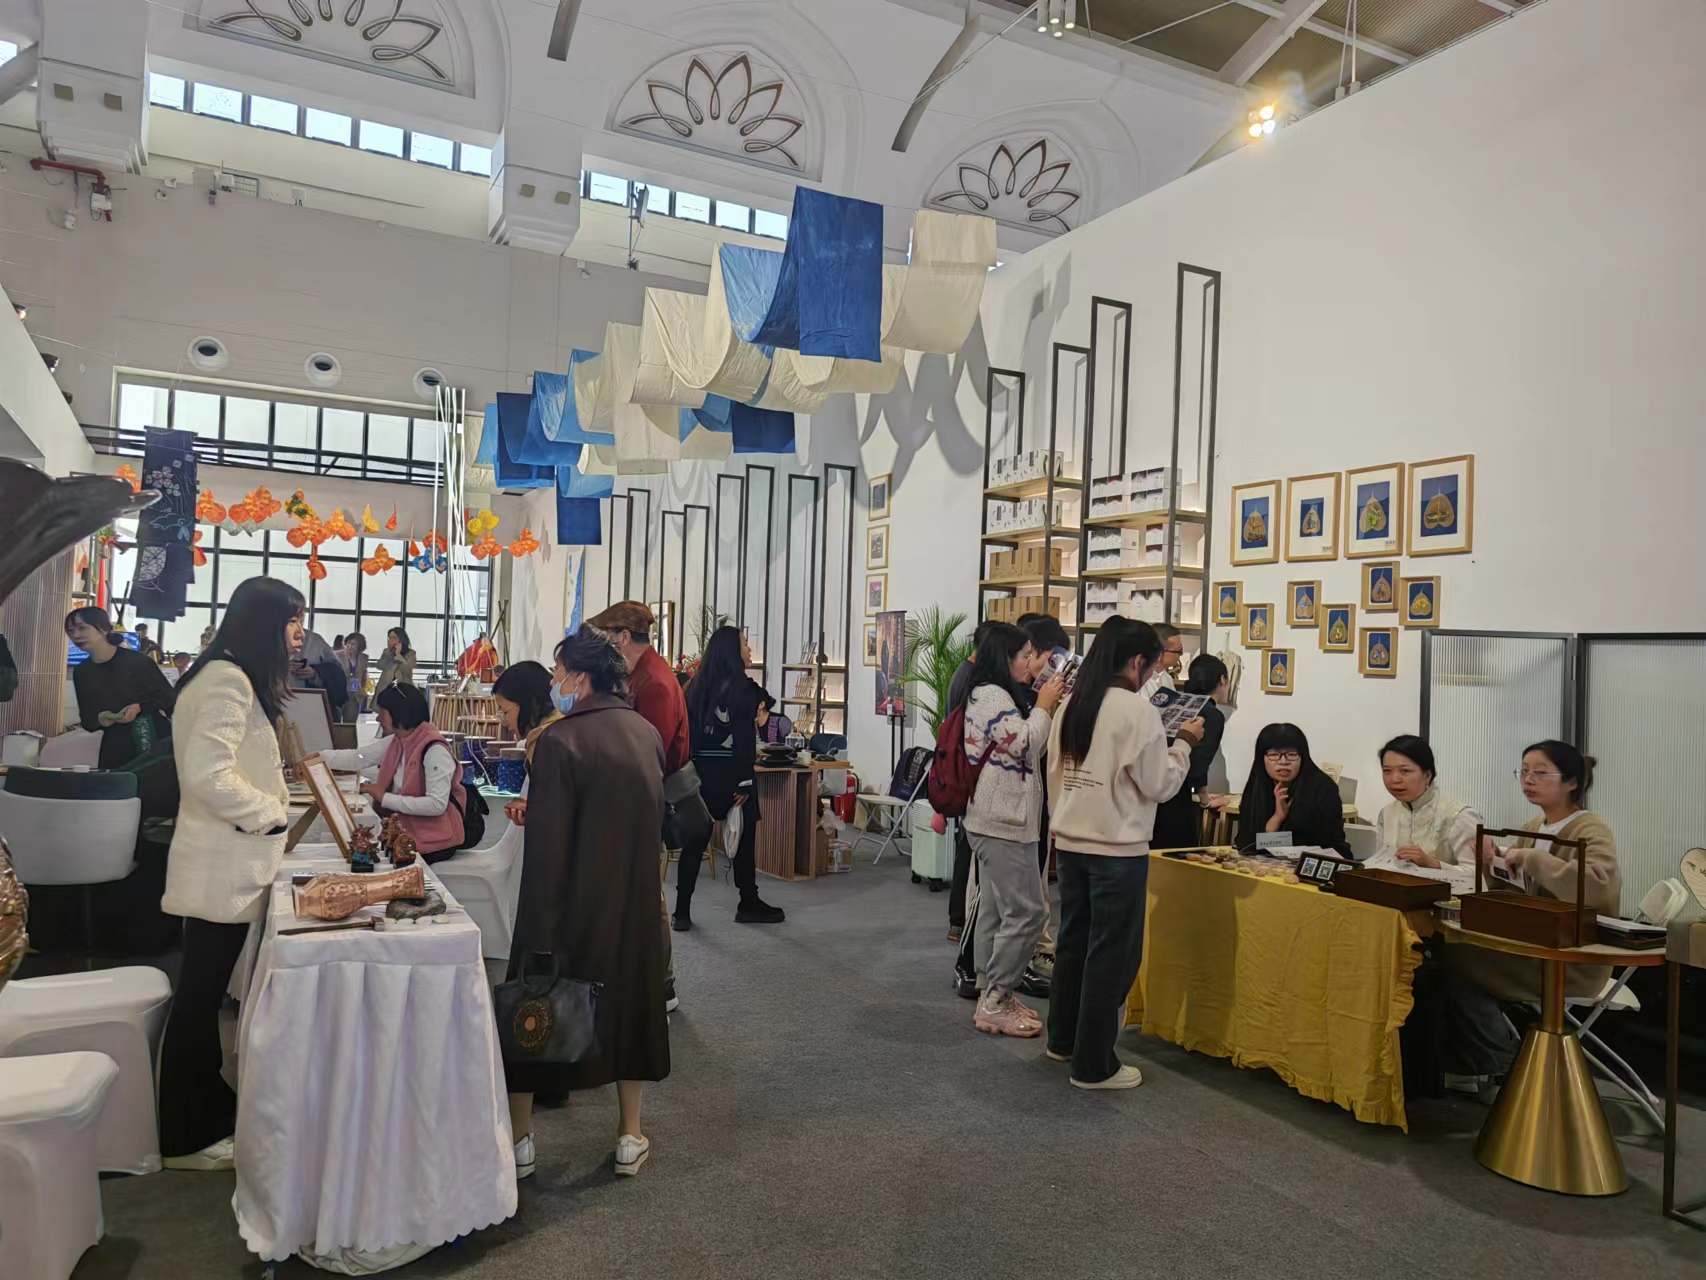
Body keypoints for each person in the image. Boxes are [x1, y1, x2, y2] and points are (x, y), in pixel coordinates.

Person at [505, 626, 670, 1180]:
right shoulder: (645, 733)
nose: (554, 682)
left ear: (579, 677)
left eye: (558, 672)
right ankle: (629, 1134)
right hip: (633, 901)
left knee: (531, 1004)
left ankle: (521, 1140)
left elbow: (549, 842)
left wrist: (537, 924)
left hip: (568, 901)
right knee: (631, 1009)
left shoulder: (559, 740)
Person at [156, 577, 302, 1170]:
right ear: (263, 623)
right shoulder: (226, 680)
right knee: (198, 1001)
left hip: (223, 863)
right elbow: (207, 774)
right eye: (291, 621)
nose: (299, 634)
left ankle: (206, 1111)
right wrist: (270, 814)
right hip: (221, 865)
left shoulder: (227, 675)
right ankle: (184, 1135)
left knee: (202, 996)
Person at [1047, 617, 1201, 1088]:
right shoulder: (1136, 711)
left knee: (1074, 943)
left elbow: (1054, 775)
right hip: (1117, 848)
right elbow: (1159, 785)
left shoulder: (1072, 702)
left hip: (1070, 841)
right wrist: (1183, 746)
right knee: (1111, 955)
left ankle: (1063, 1041)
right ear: (1137, 661)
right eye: (1154, 663)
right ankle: (1094, 1065)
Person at [1444, 742, 1621, 1080]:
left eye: (1540, 773)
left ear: (1571, 782)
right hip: (1536, 944)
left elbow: (1597, 886)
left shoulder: (1589, 829)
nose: (1528, 780)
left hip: (1574, 956)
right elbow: (1514, 889)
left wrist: (1533, 859)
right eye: (1524, 772)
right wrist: (1490, 862)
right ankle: (1491, 1062)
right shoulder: (1535, 825)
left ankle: (1505, 1064)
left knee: (1457, 962)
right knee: (1446, 955)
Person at [585, 602, 703, 1021]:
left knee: (647, 894)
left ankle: (660, 984)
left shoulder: (654, 681)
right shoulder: (640, 674)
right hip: (638, 796)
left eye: (604, 637)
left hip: (648, 799)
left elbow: (649, 753)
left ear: (621, 636)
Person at [961, 622, 1062, 1037]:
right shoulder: (991, 695)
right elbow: (1023, 743)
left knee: (997, 910)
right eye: (1024, 655)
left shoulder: (995, 693)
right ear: (1005, 658)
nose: (1030, 663)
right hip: (1000, 820)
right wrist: (1045, 707)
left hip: (1003, 818)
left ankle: (993, 992)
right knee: (1027, 912)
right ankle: (997, 998)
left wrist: (1044, 708)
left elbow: (1026, 747)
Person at [679, 626, 785, 925]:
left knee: (694, 841)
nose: (749, 650)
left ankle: (682, 910)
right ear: (732, 652)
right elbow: (743, 739)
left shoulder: (694, 688)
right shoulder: (744, 689)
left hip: (699, 776)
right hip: (732, 776)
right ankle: (748, 901)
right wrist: (745, 781)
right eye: (745, 644)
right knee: (745, 834)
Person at [319, 683, 468, 863]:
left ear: (398, 712)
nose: (378, 718)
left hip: (433, 841)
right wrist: (320, 757)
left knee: (364, 856)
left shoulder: (434, 750)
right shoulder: (398, 741)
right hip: (405, 832)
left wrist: (384, 798)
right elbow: (359, 757)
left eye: (382, 712)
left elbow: (436, 805)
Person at [65, 606, 176, 781]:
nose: (76, 635)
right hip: (115, 747)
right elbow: (88, 721)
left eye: (82, 628)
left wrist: (139, 707)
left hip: (152, 741)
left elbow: (169, 700)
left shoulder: (138, 662)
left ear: (104, 628)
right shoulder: (82, 672)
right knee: (116, 791)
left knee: (153, 790)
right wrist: (100, 719)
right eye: (71, 631)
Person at [1362, 735, 1483, 890]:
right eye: (1387, 771)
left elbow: (1479, 879)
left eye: (1405, 771)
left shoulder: (1459, 815)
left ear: (1427, 775)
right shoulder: (1387, 813)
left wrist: (1433, 864)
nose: (1394, 779)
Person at [947, 620, 998, 939]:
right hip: (970, 773)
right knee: (969, 849)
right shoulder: (974, 680)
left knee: (967, 845)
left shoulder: (965, 674)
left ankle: (958, 920)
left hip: (964, 770)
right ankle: (961, 919)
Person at [1231, 723, 1349, 854]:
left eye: (1292, 754)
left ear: (1303, 757)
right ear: (1261, 758)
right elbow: (1246, 843)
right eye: (1274, 754)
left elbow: (1328, 843)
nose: (1283, 762)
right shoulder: (1257, 785)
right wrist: (1277, 818)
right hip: (1262, 863)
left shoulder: (1322, 788)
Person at [1151, 654, 1229, 849]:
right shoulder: (1212, 714)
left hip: (1150, 793)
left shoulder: (1173, 703)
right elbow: (1198, 764)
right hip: (1175, 799)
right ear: (1222, 680)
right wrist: (1204, 800)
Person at [489, 660, 560, 828]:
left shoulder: (547, 737)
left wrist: (532, 811)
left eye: (506, 711)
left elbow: (556, 801)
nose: (505, 722)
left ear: (527, 703)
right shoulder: (560, 725)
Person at [293, 628, 349, 719]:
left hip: (310, 706)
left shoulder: (314, 640)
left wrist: (315, 673)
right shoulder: (268, 637)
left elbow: (336, 672)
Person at [1137, 623, 1184, 700]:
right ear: (1160, 652)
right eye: (1179, 650)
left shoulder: (1167, 678)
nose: (1181, 654)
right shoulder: (1139, 680)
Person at [371, 627, 416, 704]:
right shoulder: (387, 652)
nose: (391, 640)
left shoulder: (411, 653)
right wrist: (389, 653)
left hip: (402, 689)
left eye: (394, 638)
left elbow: (408, 672)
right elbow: (380, 666)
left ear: (401, 639)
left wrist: (399, 656)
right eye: (390, 638)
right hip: (385, 688)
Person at [339, 633, 370, 723]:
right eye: (348, 643)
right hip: (340, 692)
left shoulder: (363, 658)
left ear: (359, 646)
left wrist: (363, 689)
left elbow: (364, 675)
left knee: (350, 724)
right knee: (335, 722)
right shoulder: (338, 655)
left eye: (353, 644)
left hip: (355, 694)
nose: (350, 646)